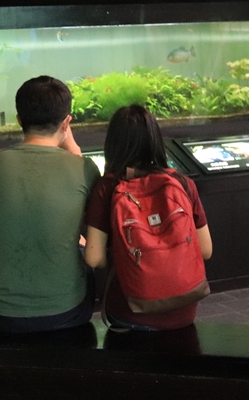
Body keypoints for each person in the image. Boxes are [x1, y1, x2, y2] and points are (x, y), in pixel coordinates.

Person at [0, 76, 100, 335]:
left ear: (19, 120)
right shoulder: (83, 167)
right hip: (66, 310)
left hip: (2, 312)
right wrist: (73, 147)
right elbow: (94, 243)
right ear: (67, 122)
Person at [83, 105, 212, 331]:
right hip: (183, 309)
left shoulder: (108, 188)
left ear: (112, 143)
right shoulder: (182, 183)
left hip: (129, 312)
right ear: (155, 138)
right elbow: (205, 250)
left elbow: (94, 258)